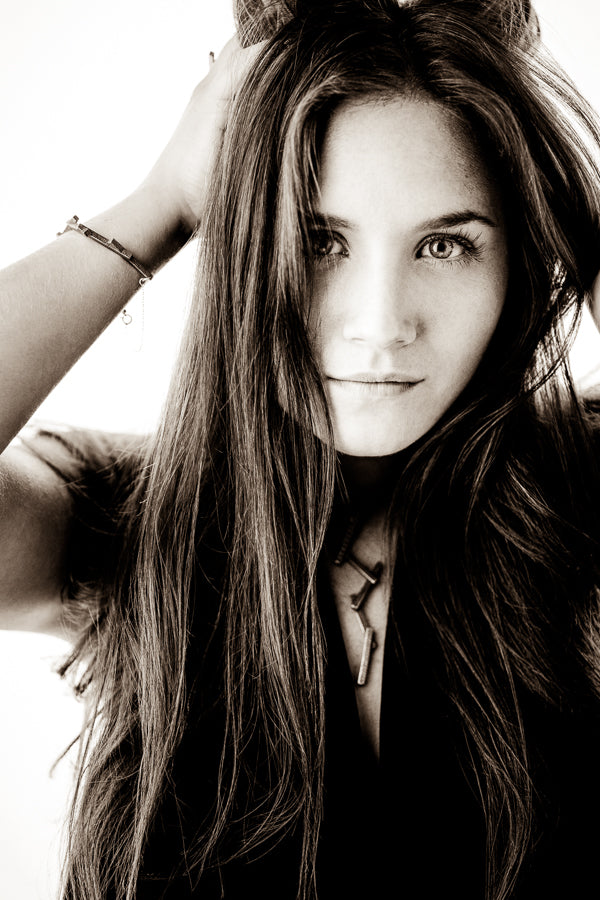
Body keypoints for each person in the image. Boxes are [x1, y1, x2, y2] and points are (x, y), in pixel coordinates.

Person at [2, 0, 600, 897]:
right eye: (320, 241)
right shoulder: (129, 526)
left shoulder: (582, 496)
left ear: (519, 258)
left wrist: (578, 217)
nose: (380, 324)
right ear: (247, 249)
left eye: (445, 244)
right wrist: (161, 203)